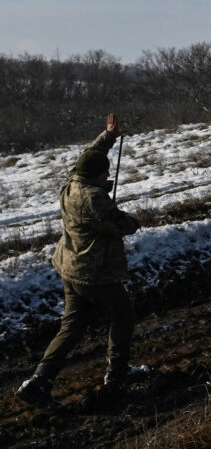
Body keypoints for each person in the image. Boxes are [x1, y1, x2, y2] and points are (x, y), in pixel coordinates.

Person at [17, 113, 145, 407]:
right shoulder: (93, 199)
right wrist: (134, 221)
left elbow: (89, 157)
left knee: (72, 326)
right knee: (123, 317)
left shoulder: (73, 180)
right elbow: (119, 224)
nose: (107, 177)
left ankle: (39, 380)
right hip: (94, 273)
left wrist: (108, 136)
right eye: (105, 174)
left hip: (70, 266)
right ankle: (117, 378)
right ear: (98, 176)